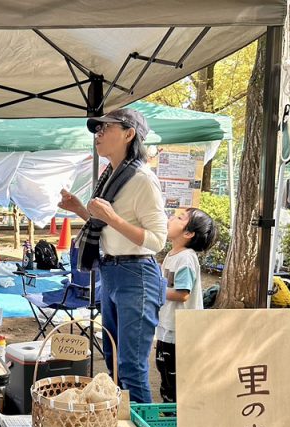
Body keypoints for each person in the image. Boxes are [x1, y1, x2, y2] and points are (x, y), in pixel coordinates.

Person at [59, 108, 167, 403]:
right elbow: (107, 225)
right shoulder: (112, 176)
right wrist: (82, 209)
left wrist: (112, 217)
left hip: (137, 274)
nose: (99, 134)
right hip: (112, 271)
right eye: (97, 130)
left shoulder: (143, 179)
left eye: (106, 129)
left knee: (131, 367)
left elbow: (157, 240)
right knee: (112, 360)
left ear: (129, 134)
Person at [155, 208, 217, 403]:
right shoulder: (174, 254)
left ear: (188, 234)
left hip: (179, 331)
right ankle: (170, 416)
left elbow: (182, 294)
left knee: (175, 381)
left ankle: (176, 421)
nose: (171, 217)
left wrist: (152, 291)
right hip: (168, 327)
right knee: (165, 375)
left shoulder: (186, 258)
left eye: (180, 218)